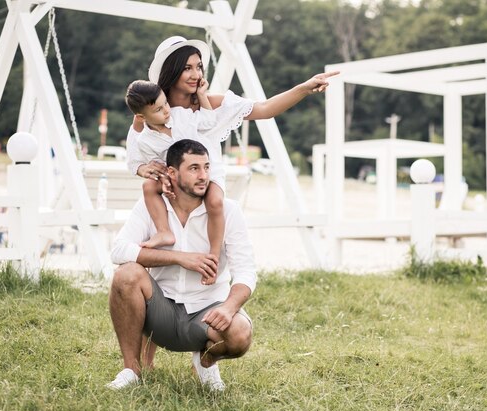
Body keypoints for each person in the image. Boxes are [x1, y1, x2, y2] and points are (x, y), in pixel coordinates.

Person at [126, 35, 338, 257]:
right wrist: (142, 169)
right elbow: (136, 143)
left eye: (199, 67)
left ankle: (215, 254)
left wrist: (304, 88)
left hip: (206, 177)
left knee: (216, 202)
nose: (196, 74)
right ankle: (165, 239)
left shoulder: (211, 103)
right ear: (171, 70)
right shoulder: (153, 110)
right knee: (149, 191)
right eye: (187, 68)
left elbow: (265, 109)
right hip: (174, 184)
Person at [107, 139, 256, 391]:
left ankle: (206, 361)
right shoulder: (152, 206)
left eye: (207, 167)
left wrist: (229, 307)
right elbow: (119, 250)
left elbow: (246, 271)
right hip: (160, 309)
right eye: (194, 168)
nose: (204, 176)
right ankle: (131, 370)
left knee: (241, 333)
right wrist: (180, 258)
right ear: (173, 173)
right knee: (126, 274)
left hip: (206, 312)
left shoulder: (228, 211)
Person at [125, 80, 225, 285]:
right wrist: (164, 180)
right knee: (148, 186)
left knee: (215, 201)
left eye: (166, 104)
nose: (166, 111)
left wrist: (202, 95)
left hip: (203, 170)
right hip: (176, 178)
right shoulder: (145, 141)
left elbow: (208, 122)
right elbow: (158, 165)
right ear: (142, 117)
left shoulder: (180, 116)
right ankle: (164, 231)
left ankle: (214, 257)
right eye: (159, 109)